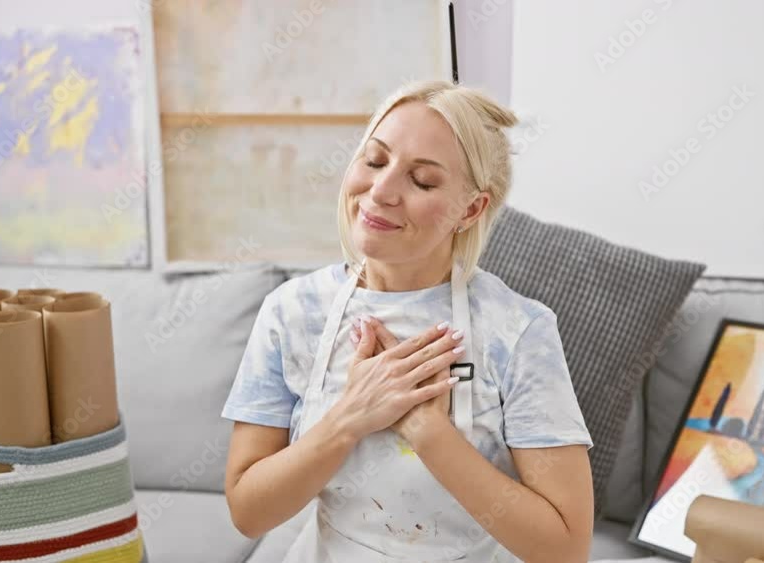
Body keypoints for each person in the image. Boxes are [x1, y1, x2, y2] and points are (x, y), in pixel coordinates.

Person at [222, 81, 594, 562]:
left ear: (472, 208)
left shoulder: (519, 331)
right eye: (375, 161)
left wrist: (428, 433)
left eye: (422, 181)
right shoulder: (292, 313)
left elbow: (564, 549)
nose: (381, 191)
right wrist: (349, 418)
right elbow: (249, 513)